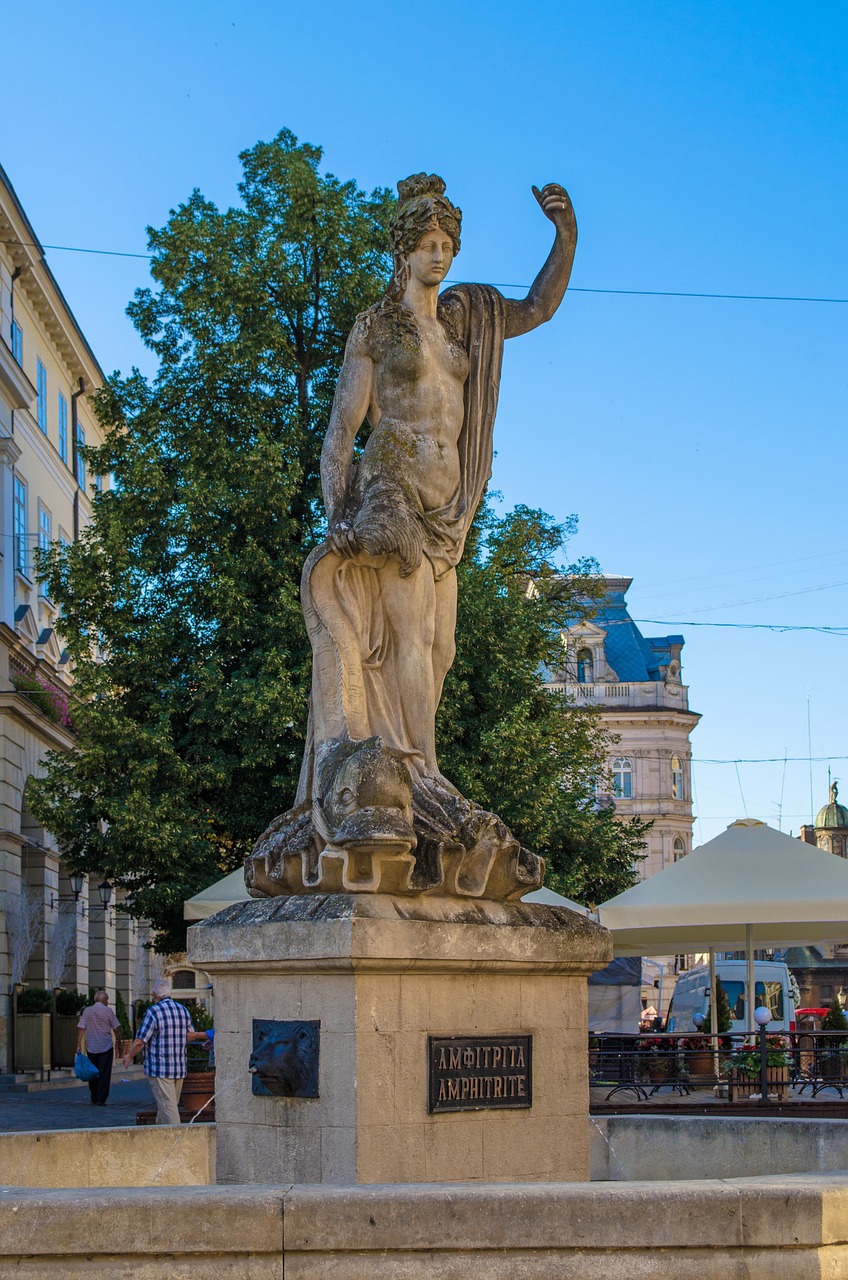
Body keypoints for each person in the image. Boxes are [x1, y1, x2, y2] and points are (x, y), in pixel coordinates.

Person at [247, 172, 577, 899]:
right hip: (392, 502)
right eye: (428, 245)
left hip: (446, 515)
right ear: (403, 251)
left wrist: (565, 236)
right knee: (408, 649)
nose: (440, 258)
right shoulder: (376, 327)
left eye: (448, 245)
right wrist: (341, 516)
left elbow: (538, 308)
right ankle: (418, 778)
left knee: (441, 649)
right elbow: (343, 431)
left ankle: (418, 771)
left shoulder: (464, 322)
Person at [121, 979, 210, 1124]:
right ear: (170, 993)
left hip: (160, 1068)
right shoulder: (182, 1010)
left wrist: (129, 1056)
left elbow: (140, 1041)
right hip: (179, 1067)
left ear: (153, 994)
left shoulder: (153, 1012)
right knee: (167, 1107)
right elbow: (189, 1035)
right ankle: (160, 1139)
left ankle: (177, 1141)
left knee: (168, 1109)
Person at [77, 990, 121, 1106]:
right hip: (105, 1046)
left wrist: (78, 1045)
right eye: (107, 1000)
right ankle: (101, 1099)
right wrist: (118, 1043)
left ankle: (94, 1096)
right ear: (104, 1000)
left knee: (93, 1073)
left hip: (91, 1046)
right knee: (105, 1073)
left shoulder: (87, 1011)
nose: (107, 1002)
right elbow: (116, 1028)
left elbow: (81, 1028)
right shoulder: (108, 1011)